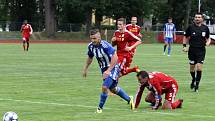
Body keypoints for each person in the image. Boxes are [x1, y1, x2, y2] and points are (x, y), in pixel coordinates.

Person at [82, 29, 134, 113]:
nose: (93, 40)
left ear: (99, 37)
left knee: (105, 87)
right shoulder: (91, 46)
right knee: (113, 89)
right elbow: (90, 57)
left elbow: (115, 57)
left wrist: (109, 70)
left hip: (113, 67)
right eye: (91, 38)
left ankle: (99, 108)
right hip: (103, 69)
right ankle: (129, 99)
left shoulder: (105, 45)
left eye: (94, 38)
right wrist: (85, 69)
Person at [183, 12, 211, 92]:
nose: (197, 18)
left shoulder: (205, 28)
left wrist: (208, 42)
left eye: (199, 17)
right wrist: (184, 46)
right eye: (196, 17)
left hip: (201, 51)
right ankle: (193, 79)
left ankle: (197, 85)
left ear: (202, 19)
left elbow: (208, 38)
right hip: (192, 50)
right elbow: (185, 37)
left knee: (199, 67)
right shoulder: (190, 27)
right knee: (192, 69)